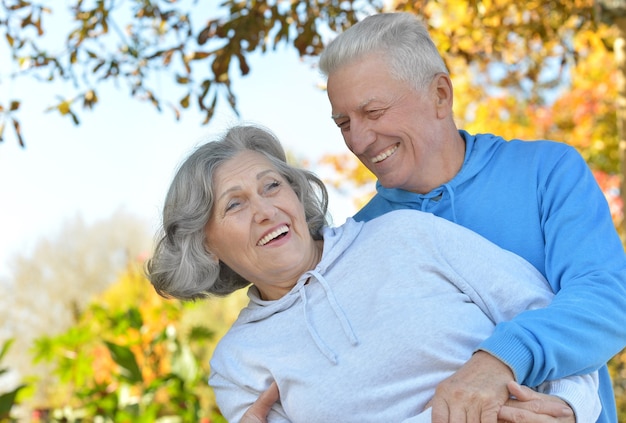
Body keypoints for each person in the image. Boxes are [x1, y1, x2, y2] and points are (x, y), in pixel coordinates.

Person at [147, 124, 601, 423]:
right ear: (205, 243)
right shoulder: (237, 363)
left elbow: (546, 318)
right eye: (235, 203)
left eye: (272, 186)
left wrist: (571, 408)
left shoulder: (406, 233)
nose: (265, 210)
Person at [311, 11, 626, 423]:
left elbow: (606, 298)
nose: (359, 140)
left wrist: (501, 361)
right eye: (344, 123)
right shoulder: (352, 242)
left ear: (440, 95)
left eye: (373, 112)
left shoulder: (546, 171)